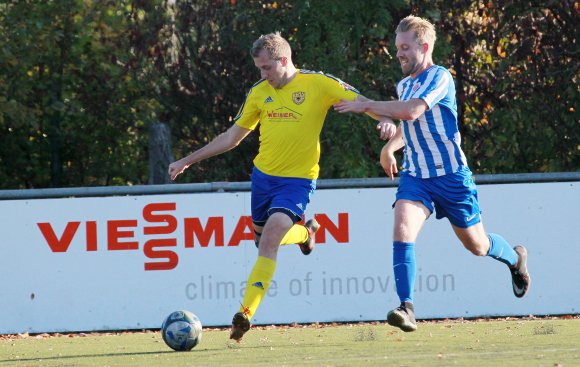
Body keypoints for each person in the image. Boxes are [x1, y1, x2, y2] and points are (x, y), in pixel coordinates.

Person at [168, 32, 395, 341]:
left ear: (284, 60)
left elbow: (363, 102)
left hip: (298, 181)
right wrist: (188, 160)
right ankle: (307, 232)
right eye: (259, 69)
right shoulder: (260, 92)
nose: (263, 75)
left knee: (271, 236)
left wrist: (386, 120)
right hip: (263, 179)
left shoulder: (318, 84)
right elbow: (233, 137)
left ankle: (244, 314)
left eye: (266, 68)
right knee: (263, 241)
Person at [333, 15, 530, 332]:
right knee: (402, 225)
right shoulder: (404, 84)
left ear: (424, 47)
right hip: (417, 176)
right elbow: (407, 123)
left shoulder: (441, 77)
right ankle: (407, 307)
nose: (399, 53)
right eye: (397, 48)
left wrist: (367, 105)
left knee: (477, 246)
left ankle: (514, 258)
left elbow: (412, 111)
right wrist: (389, 141)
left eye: (405, 47)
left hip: (452, 177)